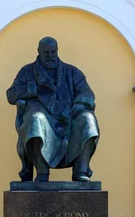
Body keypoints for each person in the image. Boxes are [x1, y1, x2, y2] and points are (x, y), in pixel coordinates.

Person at [6, 37, 100, 182]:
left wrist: (80, 102)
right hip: (42, 117)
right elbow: (11, 95)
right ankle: (42, 172)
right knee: (36, 119)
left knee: (87, 119)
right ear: (38, 52)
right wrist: (34, 87)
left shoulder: (72, 72)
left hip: (68, 117)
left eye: (53, 52)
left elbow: (87, 93)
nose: (50, 56)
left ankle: (81, 170)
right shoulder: (27, 71)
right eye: (46, 52)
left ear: (57, 51)